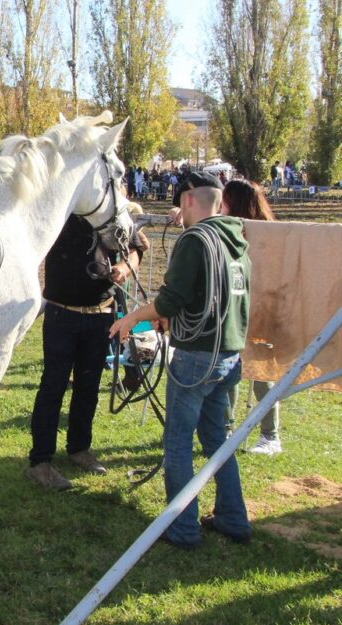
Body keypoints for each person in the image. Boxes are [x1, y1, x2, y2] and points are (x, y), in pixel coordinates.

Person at [110, 171, 252, 548]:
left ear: (189, 199)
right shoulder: (234, 237)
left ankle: (183, 528)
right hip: (227, 355)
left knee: (177, 442)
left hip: (195, 357)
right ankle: (233, 518)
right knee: (217, 441)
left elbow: (172, 300)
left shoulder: (195, 239)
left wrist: (132, 316)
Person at [25, 206, 147, 491]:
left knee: (88, 386)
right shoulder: (60, 210)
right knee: (52, 387)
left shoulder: (113, 211)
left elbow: (136, 248)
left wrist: (125, 268)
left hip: (101, 315)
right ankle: (40, 461)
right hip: (61, 313)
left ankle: (79, 448)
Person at [220, 179, 282, 455]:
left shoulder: (268, 234)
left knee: (261, 375)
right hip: (234, 308)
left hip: (263, 309)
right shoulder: (227, 229)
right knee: (230, 369)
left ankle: (270, 436)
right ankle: (225, 430)